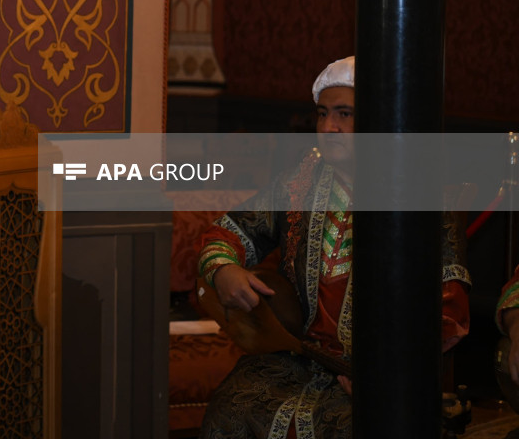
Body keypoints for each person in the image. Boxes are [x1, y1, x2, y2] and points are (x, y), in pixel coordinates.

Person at [196, 57, 471, 439]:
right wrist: (223, 268)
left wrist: (389, 368)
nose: (328, 128)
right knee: (232, 408)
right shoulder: (299, 183)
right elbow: (229, 232)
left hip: (383, 370)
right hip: (298, 360)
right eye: (323, 114)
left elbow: (450, 304)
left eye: (344, 114)